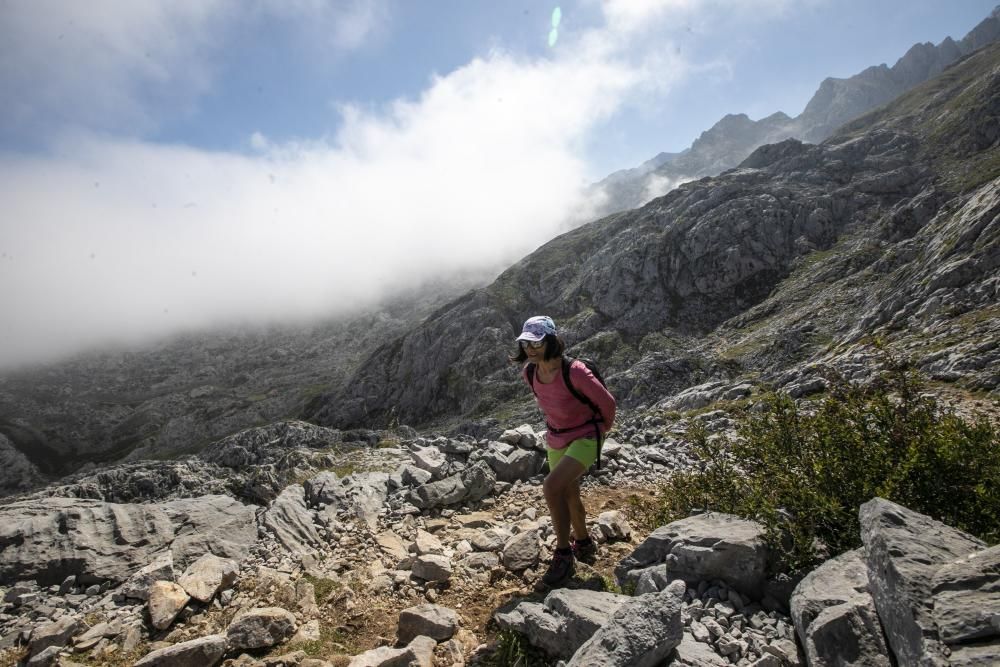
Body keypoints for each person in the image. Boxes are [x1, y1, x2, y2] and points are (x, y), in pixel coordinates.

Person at [512, 315, 616, 588]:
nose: (530, 350)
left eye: (536, 343)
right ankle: (582, 542)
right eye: (526, 344)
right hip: (556, 437)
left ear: (550, 340)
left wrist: (600, 432)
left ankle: (563, 554)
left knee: (551, 486)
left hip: (586, 435)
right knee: (569, 492)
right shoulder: (530, 372)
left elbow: (608, 403)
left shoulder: (576, 371)